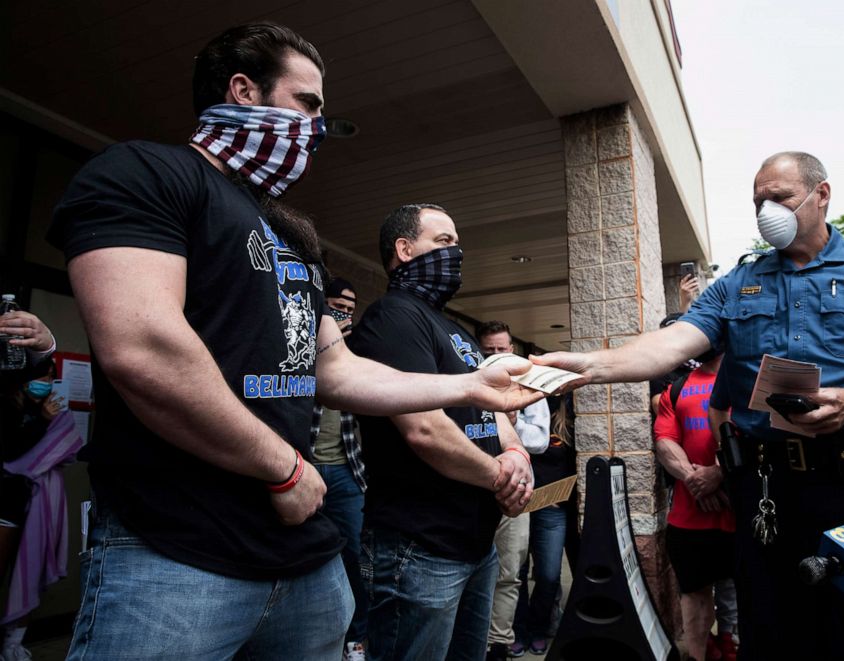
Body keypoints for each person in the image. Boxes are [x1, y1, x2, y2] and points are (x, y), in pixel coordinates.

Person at [46, 24, 541, 660]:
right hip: (176, 551)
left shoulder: (293, 236)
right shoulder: (146, 172)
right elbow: (144, 346)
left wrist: (469, 385)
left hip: (304, 560)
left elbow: (335, 368)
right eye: (306, 103)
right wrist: (280, 469)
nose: (316, 125)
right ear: (243, 90)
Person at [534, 151, 844, 660]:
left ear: (822, 195)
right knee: (777, 634)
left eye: (781, 198)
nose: (767, 210)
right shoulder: (736, 284)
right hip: (773, 498)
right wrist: (590, 366)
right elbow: (672, 343)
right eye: (758, 202)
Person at [349, 204, 535, 661]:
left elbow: (495, 408)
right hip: (419, 548)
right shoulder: (392, 318)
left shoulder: (456, 333)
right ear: (404, 249)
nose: (457, 254)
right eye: (444, 242)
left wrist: (515, 454)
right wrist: (500, 477)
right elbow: (424, 430)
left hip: (476, 546)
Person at [652, 348, 736, 661]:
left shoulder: (749, 379)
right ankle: (699, 656)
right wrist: (696, 480)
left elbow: (764, 434)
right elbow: (664, 441)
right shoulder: (677, 388)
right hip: (690, 517)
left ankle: (731, 643)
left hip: (744, 513)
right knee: (694, 595)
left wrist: (720, 473)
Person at [476, 321, 550, 661]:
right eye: (488, 350)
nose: (495, 356)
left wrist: (513, 419)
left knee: (509, 572)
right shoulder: (467, 382)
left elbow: (540, 441)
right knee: (471, 570)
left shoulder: (529, 383)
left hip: (515, 490)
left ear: (511, 349)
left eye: (500, 349)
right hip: (474, 488)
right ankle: (474, 640)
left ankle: (499, 644)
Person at [1, 359, 83, 661]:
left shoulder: (54, 411)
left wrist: (51, 421)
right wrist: (41, 420)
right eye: (42, 376)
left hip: (38, 505)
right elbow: (12, 451)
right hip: (7, 503)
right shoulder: (9, 409)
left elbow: (67, 448)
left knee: (29, 571)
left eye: (51, 377)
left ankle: (13, 643)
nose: (47, 382)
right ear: (25, 379)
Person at [311, 277, 368, 661]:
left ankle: (356, 640)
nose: (342, 315)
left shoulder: (359, 351)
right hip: (307, 471)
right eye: (335, 307)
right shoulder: (302, 343)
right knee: (310, 558)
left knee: (355, 561)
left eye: (348, 310)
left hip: (348, 473)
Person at [510, 393, 577, 658]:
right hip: (518, 503)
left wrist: (563, 497)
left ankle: (539, 629)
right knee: (516, 573)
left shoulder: (567, 410)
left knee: (548, 575)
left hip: (553, 505)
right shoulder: (518, 404)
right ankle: (518, 631)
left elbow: (575, 462)